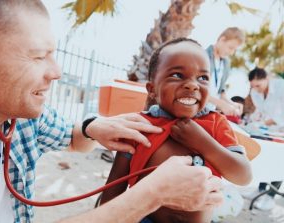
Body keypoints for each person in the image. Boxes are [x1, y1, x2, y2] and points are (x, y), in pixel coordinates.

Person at [0, 1, 224, 222]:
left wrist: (93, 127)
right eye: (37, 56)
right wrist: (153, 195)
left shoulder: (18, 119)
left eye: (52, 55)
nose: (56, 72)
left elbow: (73, 137)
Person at [99, 38, 252, 223]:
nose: (192, 85)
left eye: (202, 78)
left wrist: (204, 143)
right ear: (152, 89)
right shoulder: (140, 125)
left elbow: (243, 176)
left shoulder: (216, 123)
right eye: (178, 75)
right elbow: (115, 185)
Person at [244, 67, 284, 211]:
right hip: (272, 131)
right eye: (253, 86)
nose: (256, 89)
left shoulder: (281, 87)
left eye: (258, 85)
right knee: (268, 156)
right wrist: (254, 121)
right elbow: (260, 111)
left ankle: (271, 196)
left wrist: (266, 122)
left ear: (266, 79)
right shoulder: (255, 92)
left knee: (280, 160)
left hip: (282, 128)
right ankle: (260, 190)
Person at [206, 27, 245, 116]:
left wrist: (232, 104)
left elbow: (220, 92)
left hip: (209, 112)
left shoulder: (226, 63)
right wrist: (220, 104)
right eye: (230, 48)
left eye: (235, 50)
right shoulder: (203, 56)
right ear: (222, 39)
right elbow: (197, 89)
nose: (232, 53)